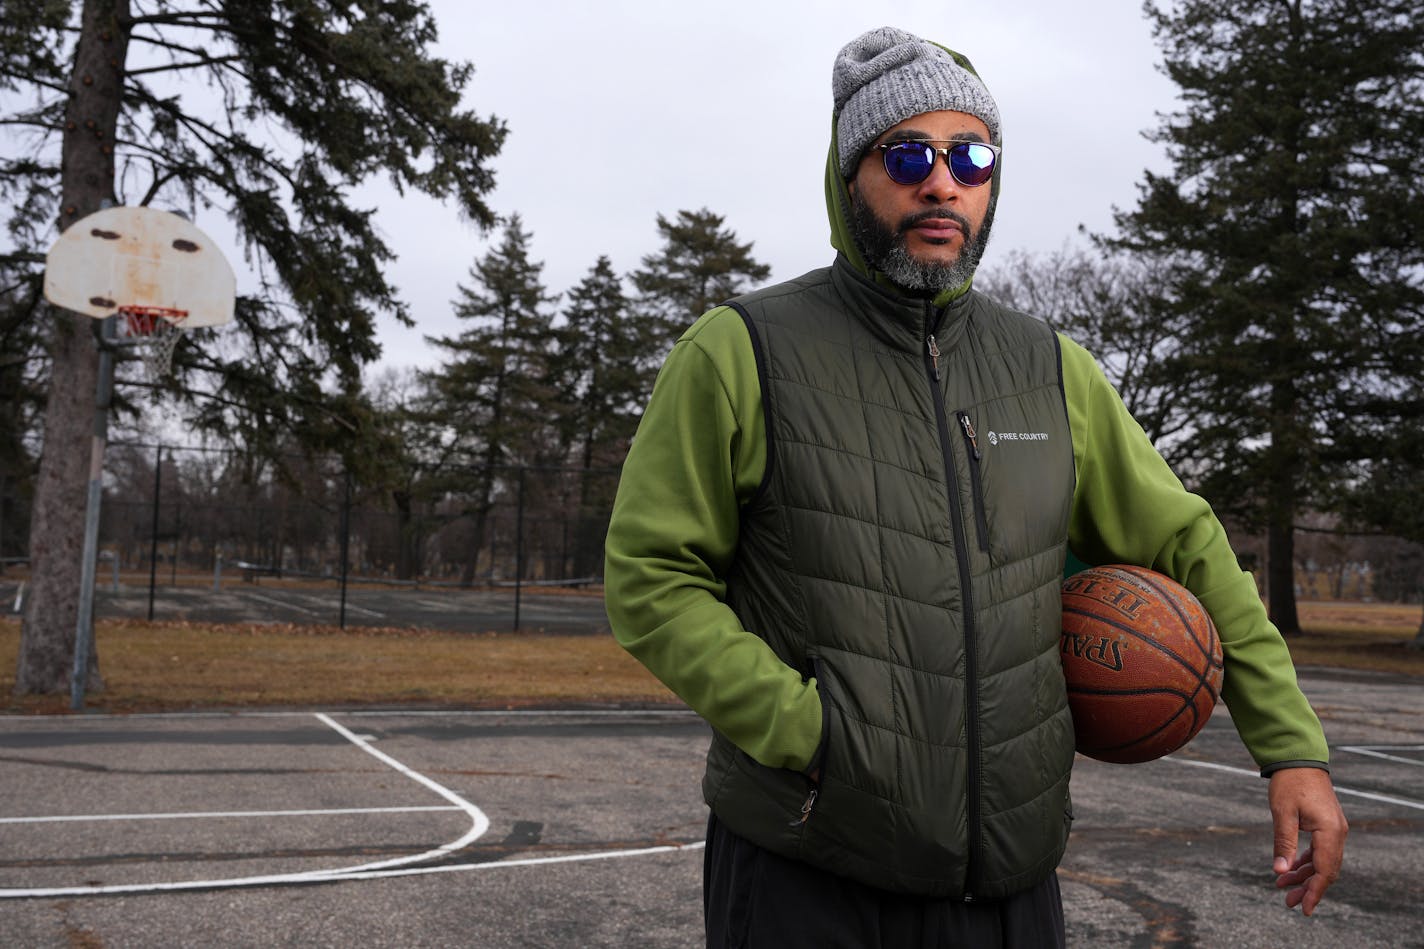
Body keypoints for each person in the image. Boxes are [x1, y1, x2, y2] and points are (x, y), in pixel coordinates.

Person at [603, 25, 1348, 947]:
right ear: (850, 177)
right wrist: (814, 732)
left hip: (1010, 877)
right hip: (808, 866)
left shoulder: (1050, 370)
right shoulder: (742, 349)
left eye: (972, 155)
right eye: (908, 152)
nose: (942, 180)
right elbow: (650, 575)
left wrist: (1291, 749)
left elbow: (1187, 545)